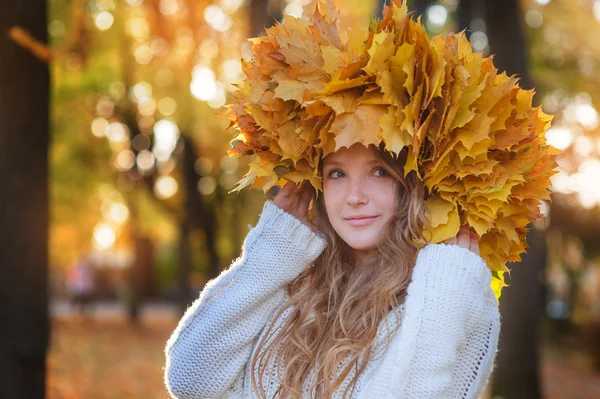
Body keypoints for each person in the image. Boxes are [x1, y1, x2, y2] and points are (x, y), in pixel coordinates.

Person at [163, 142, 500, 398]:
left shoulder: (452, 296)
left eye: (380, 170)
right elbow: (192, 381)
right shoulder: (292, 278)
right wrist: (270, 254)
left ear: (418, 182)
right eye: (337, 173)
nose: (354, 197)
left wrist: (444, 299)